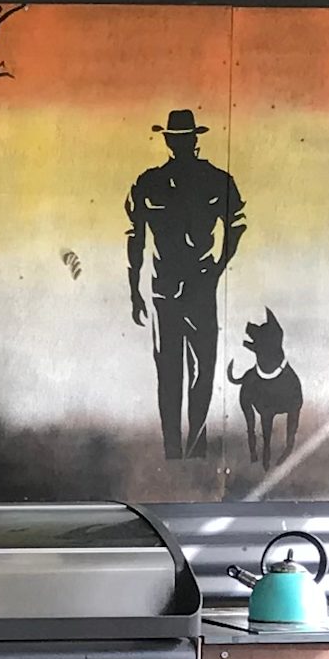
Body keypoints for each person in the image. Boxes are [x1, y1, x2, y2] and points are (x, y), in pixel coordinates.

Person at [123, 108, 250, 459]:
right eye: (174, 138)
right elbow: (136, 237)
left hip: (200, 289)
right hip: (164, 291)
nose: (179, 144)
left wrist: (219, 267)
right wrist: (134, 290)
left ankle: (195, 449)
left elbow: (236, 224)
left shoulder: (217, 180)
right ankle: (173, 451)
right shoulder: (147, 183)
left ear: (195, 140)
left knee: (203, 371)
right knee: (169, 374)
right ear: (168, 141)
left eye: (184, 138)